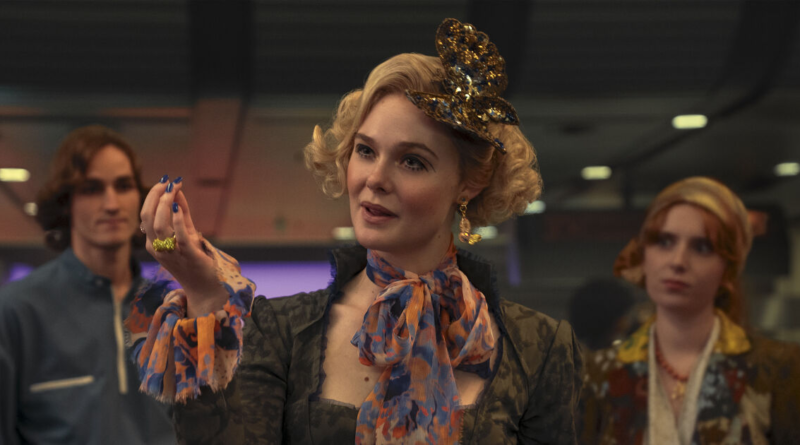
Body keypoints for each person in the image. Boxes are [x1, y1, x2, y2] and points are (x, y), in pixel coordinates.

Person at [130, 18, 582, 444]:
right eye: (366, 151)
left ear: (469, 184)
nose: (375, 179)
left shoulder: (539, 348)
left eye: (412, 161)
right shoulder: (282, 331)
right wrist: (202, 293)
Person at [579, 177, 800, 445]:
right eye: (664, 241)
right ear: (644, 254)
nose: (678, 261)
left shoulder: (780, 369)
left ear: (728, 269)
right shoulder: (597, 374)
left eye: (702, 247)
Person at [0, 125, 175, 445]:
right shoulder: (16, 311)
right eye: (92, 188)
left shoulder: (169, 308)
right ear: (66, 202)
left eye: (123, 185)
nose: (112, 203)